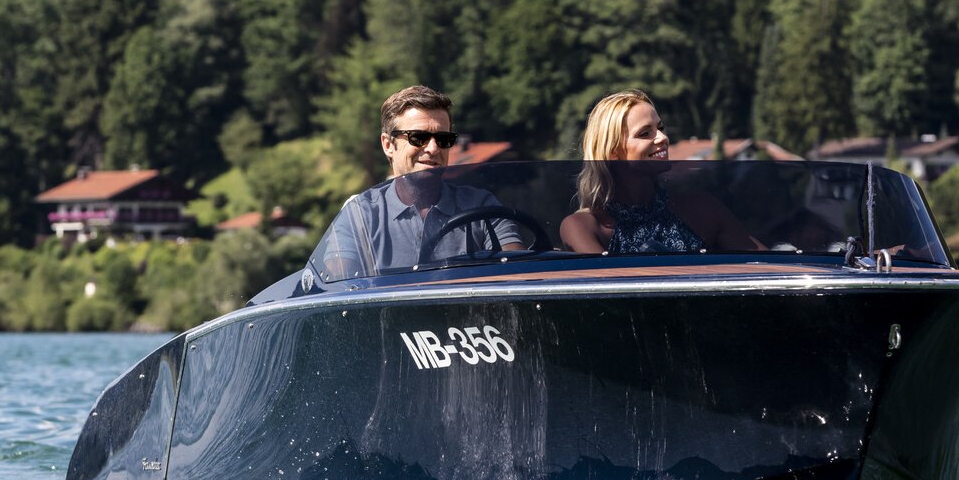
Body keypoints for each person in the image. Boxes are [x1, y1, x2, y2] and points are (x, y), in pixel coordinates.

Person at [310, 85, 524, 283]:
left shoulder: (483, 206)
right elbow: (337, 286)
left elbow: (519, 274)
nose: (433, 148)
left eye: (443, 139)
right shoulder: (360, 215)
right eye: (418, 137)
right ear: (387, 145)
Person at [559, 89, 762, 254]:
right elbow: (608, 292)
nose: (663, 138)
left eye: (661, 128)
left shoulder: (703, 208)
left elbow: (770, 267)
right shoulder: (584, 226)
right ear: (612, 151)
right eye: (645, 133)